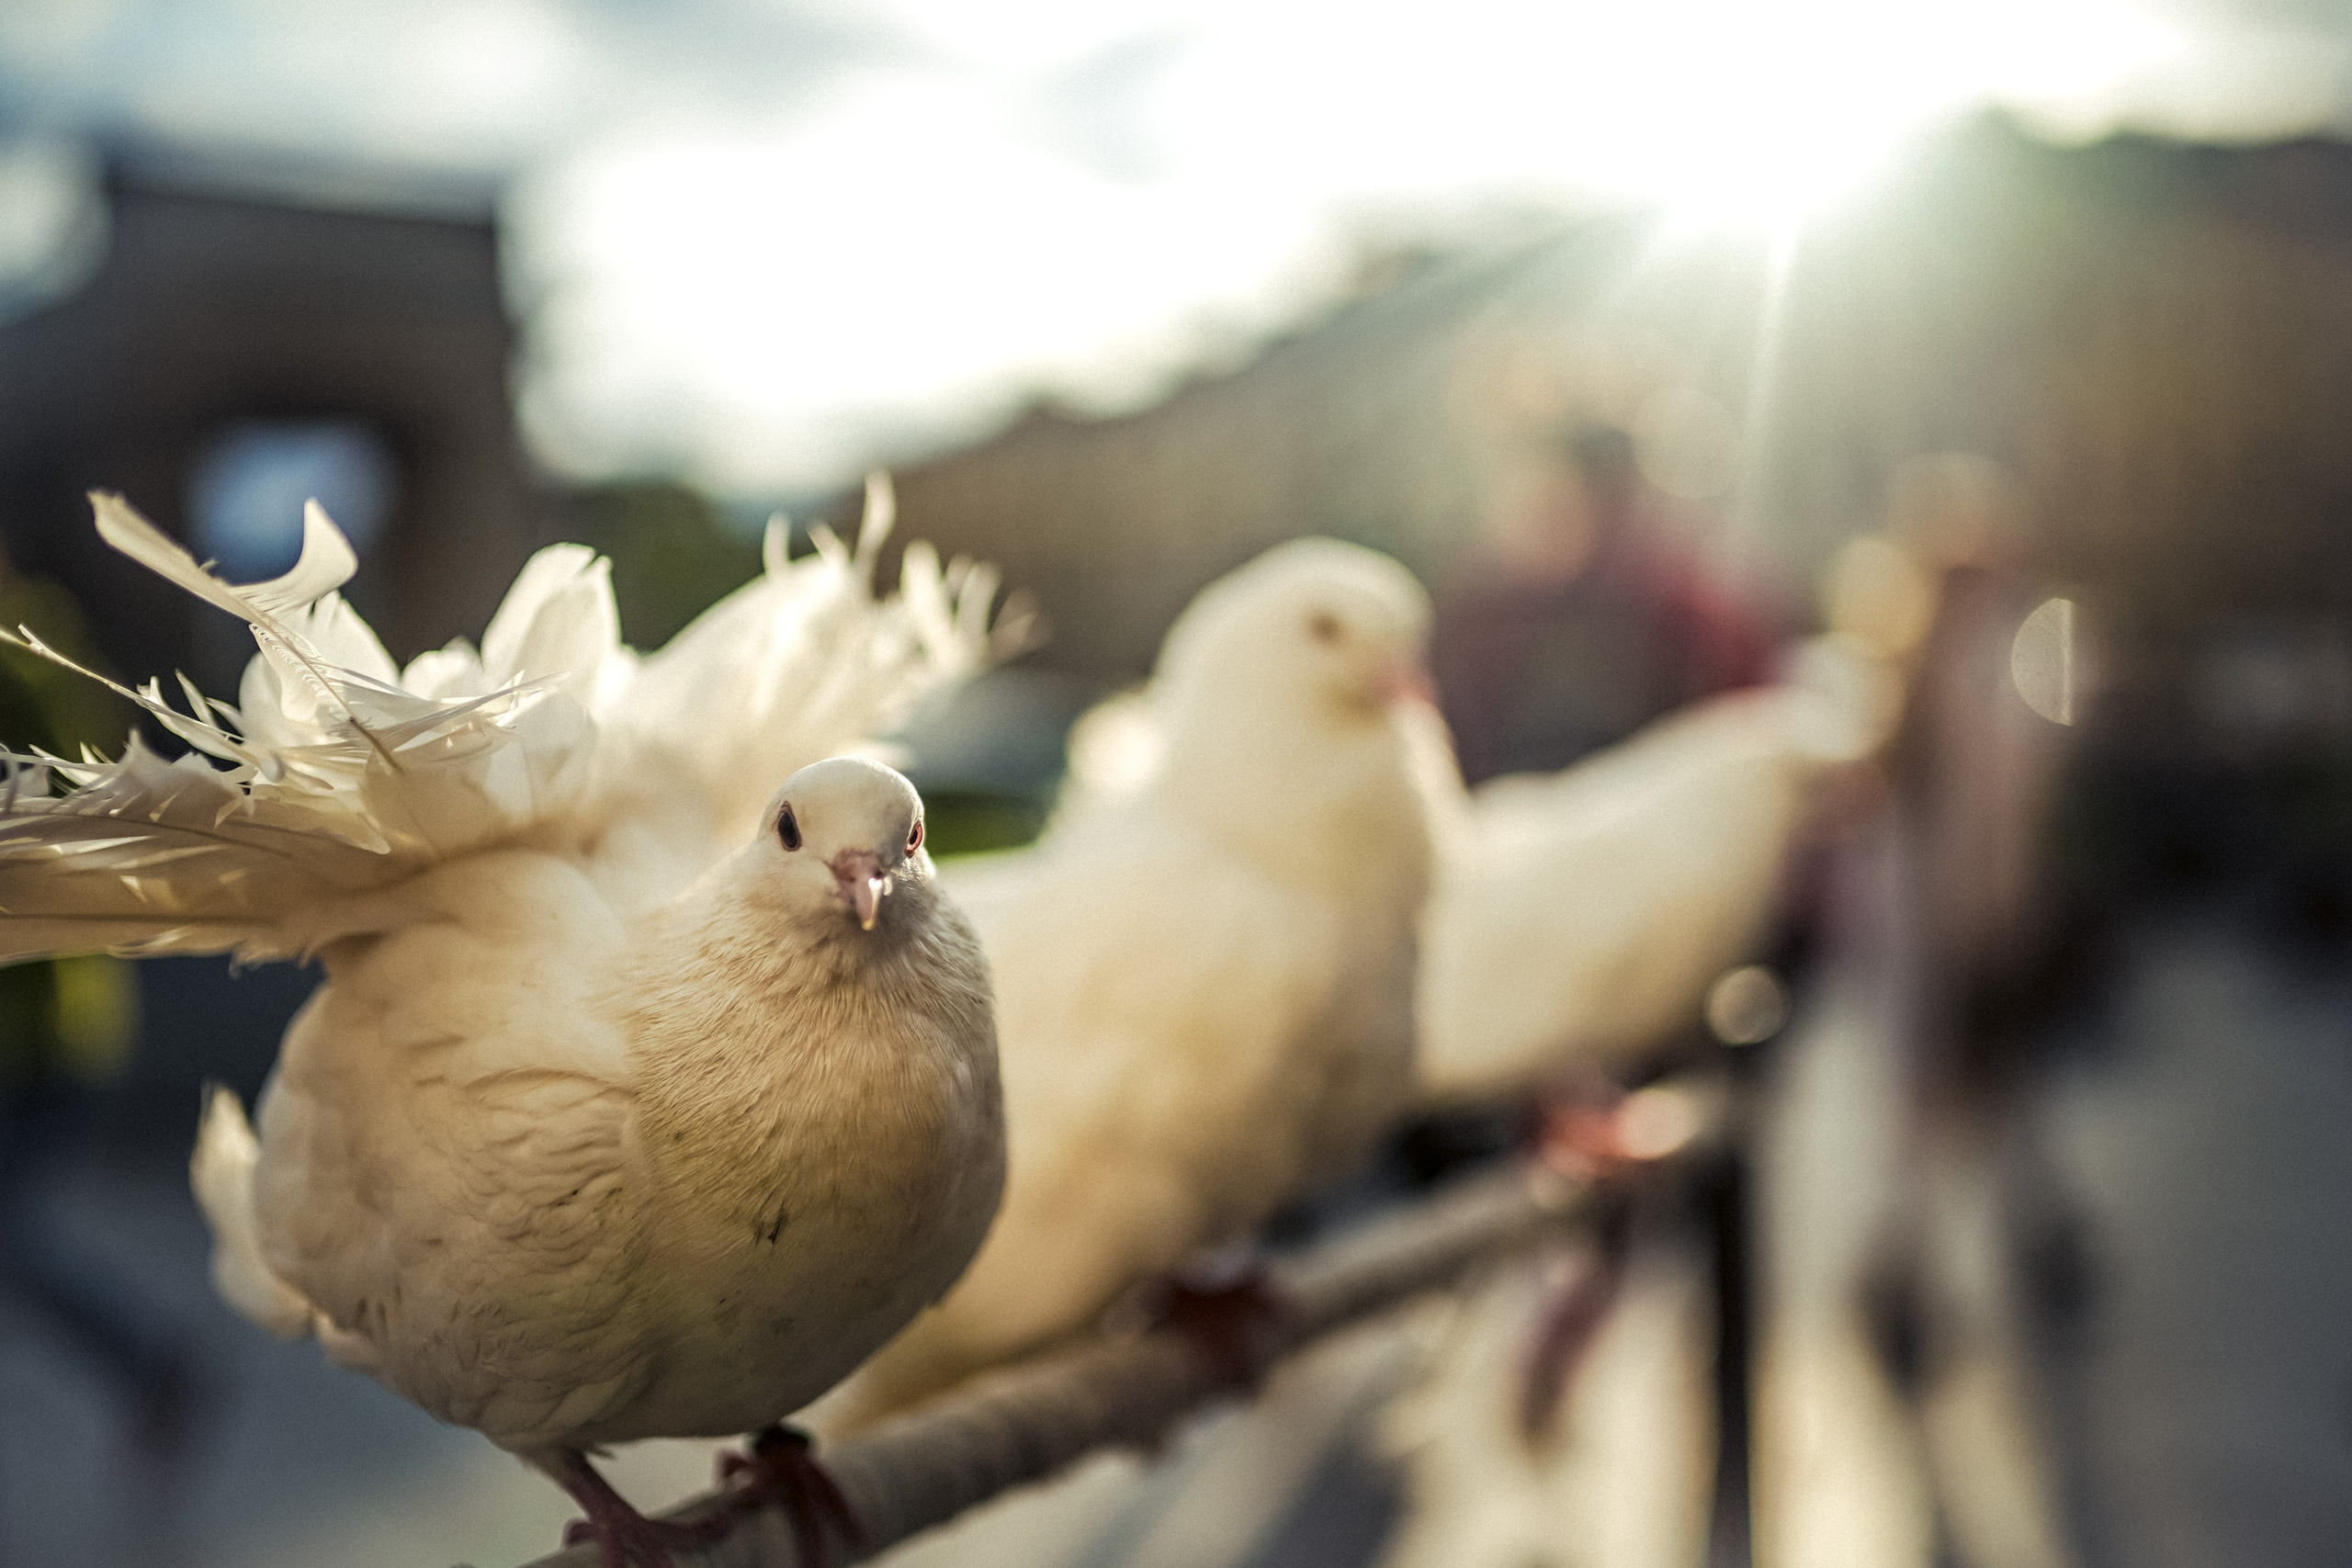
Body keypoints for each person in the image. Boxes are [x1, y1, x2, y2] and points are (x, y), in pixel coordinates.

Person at [1431, 422, 1778, 784]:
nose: (1531, 519)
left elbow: (1740, 732)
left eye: (1557, 503)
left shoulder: (1686, 608)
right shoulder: (1480, 607)